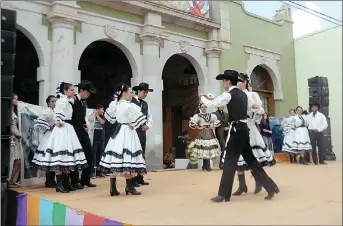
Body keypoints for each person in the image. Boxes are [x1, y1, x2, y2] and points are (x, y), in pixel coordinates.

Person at [200, 69, 279, 202]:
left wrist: (202, 97)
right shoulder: (244, 95)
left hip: (236, 130)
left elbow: (212, 104)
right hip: (244, 129)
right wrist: (259, 110)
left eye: (223, 81)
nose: (222, 83)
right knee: (252, 161)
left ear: (228, 81)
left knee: (230, 162)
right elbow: (254, 107)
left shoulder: (229, 94)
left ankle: (224, 194)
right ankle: (271, 187)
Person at [220, 73, 276, 196]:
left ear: (245, 82)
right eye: (237, 81)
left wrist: (257, 113)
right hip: (237, 127)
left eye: (240, 81)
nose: (238, 83)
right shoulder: (232, 94)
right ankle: (243, 185)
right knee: (240, 158)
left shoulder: (250, 95)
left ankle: (260, 182)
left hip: (247, 126)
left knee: (250, 158)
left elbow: (259, 110)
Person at [31, 82, 88, 193]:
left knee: (67, 157)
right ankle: (60, 184)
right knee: (61, 156)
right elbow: (57, 112)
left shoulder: (68, 100)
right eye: (71, 90)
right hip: (63, 128)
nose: (73, 91)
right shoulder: (62, 101)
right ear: (65, 91)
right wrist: (58, 121)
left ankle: (65, 183)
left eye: (73, 89)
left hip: (68, 128)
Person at [99, 83, 147, 196]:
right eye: (130, 92)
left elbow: (109, 119)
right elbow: (139, 120)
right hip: (126, 132)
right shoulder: (128, 105)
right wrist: (133, 124)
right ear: (124, 93)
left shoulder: (115, 104)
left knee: (115, 158)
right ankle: (129, 186)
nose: (132, 94)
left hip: (118, 131)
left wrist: (131, 123)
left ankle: (113, 188)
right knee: (128, 158)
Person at [70, 80, 97, 189]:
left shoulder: (84, 101)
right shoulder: (73, 100)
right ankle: (74, 181)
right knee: (76, 155)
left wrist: (85, 124)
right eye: (88, 91)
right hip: (74, 130)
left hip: (82, 130)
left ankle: (85, 179)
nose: (89, 94)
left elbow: (83, 115)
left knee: (89, 154)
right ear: (81, 90)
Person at [31, 95, 57, 188]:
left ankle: (52, 179)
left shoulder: (56, 111)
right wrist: (49, 126)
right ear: (48, 103)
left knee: (54, 158)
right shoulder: (47, 111)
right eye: (52, 101)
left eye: (55, 101)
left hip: (56, 136)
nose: (54, 103)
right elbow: (39, 122)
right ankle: (48, 180)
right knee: (48, 157)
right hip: (49, 136)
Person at [131, 82, 153, 187]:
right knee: (134, 154)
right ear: (138, 91)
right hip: (133, 131)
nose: (145, 94)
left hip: (142, 131)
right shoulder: (131, 102)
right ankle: (133, 178)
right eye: (144, 92)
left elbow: (149, 116)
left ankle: (140, 177)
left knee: (141, 154)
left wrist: (148, 125)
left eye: (146, 93)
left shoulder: (145, 104)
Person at [189, 103, 221, 171]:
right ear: (200, 108)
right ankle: (207, 166)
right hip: (202, 133)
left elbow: (216, 122)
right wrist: (199, 128)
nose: (204, 108)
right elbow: (192, 123)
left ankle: (205, 165)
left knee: (208, 148)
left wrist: (212, 126)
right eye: (202, 107)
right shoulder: (198, 115)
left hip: (209, 132)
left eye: (205, 107)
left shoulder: (210, 115)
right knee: (205, 148)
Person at [8, 94, 21, 188]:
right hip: (10, 138)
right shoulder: (7, 111)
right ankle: (8, 181)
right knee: (11, 160)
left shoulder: (15, 111)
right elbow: (10, 126)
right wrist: (18, 133)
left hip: (15, 138)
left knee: (18, 161)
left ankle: (12, 180)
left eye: (17, 98)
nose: (16, 100)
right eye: (14, 98)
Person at [92, 104, 106, 178]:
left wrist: (97, 114)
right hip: (94, 138)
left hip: (101, 138)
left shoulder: (103, 116)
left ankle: (99, 171)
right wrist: (94, 114)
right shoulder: (92, 116)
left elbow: (102, 122)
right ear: (97, 109)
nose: (103, 111)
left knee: (100, 155)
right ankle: (92, 172)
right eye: (102, 109)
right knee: (93, 155)